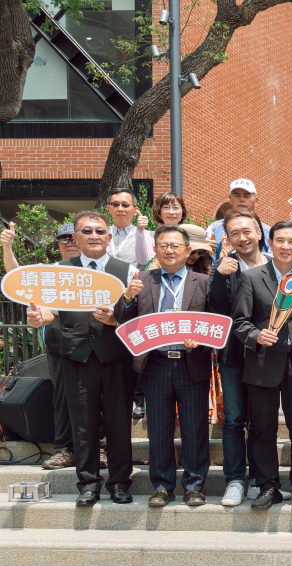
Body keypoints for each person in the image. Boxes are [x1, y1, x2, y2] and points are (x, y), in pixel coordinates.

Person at [29, 211, 134, 505]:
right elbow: (51, 312)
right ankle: (88, 485)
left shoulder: (126, 270)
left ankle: (120, 483)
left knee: (118, 423)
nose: (94, 236)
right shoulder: (61, 270)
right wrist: (39, 318)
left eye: (100, 231)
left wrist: (116, 318)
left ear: (109, 237)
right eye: (86, 231)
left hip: (115, 358)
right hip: (75, 358)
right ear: (75, 238)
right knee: (83, 426)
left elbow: (134, 316)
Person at [115, 225, 211, 507]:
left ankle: (194, 486)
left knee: (195, 428)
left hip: (191, 363)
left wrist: (201, 341)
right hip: (155, 363)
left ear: (188, 251)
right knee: (158, 427)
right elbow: (121, 319)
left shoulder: (203, 281)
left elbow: (217, 323)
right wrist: (128, 296)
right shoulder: (142, 279)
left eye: (175, 246)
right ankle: (162, 485)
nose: (169, 250)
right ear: (155, 250)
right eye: (163, 246)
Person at [232, 220, 292, 510]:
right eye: (279, 240)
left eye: (291, 242)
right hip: (262, 363)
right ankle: (267, 485)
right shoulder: (252, 277)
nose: (285, 246)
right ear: (269, 243)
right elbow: (239, 322)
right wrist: (257, 335)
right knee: (263, 429)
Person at [2, 221, 81, 471]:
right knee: (61, 398)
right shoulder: (47, 271)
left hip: (94, 345)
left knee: (95, 398)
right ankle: (64, 450)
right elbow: (17, 278)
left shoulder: (98, 273)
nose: (70, 243)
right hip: (59, 344)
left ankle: (98, 448)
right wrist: (7, 246)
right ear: (58, 244)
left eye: (74, 238)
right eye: (64, 239)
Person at [207, 209, 266, 507]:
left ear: (258, 232)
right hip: (232, 355)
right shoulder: (223, 267)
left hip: (265, 355)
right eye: (234, 234)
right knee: (233, 420)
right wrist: (220, 277)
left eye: (247, 231)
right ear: (227, 239)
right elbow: (214, 308)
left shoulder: (275, 264)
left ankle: (257, 478)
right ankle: (234, 480)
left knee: (260, 421)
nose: (242, 237)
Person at [207, 179, 271, 259]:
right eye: (237, 195)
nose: (241, 200)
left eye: (246, 196)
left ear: (256, 200)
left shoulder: (269, 232)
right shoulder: (214, 229)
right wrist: (206, 251)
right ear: (230, 198)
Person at [133, 191, 190, 266]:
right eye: (166, 207)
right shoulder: (149, 236)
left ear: (182, 211)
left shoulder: (189, 235)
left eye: (175, 207)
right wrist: (140, 230)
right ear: (159, 211)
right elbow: (143, 260)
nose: (171, 212)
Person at [105, 187, 145, 265]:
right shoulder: (100, 233)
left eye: (125, 205)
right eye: (115, 204)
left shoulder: (145, 236)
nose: (120, 209)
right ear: (109, 209)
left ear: (135, 210)